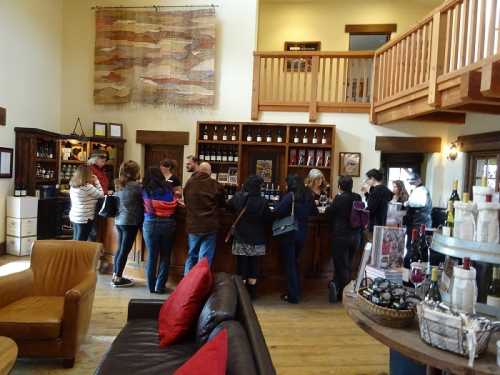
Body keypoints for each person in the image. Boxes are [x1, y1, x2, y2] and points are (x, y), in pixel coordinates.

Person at [274, 175, 318, 304]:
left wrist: (277, 203)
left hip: (289, 233)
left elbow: (278, 211)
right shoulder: (308, 196)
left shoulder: (290, 196)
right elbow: (314, 212)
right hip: (302, 233)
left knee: (290, 265)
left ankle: (293, 295)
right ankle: (297, 291)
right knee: (295, 262)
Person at [227, 175, 272, 300]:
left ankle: (241, 294)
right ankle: (252, 293)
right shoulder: (263, 201)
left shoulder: (238, 198)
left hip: (241, 237)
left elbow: (228, 206)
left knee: (241, 264)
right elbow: (268, 218)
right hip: (257, 238)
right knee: (254, 265)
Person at [183, 162, 225, 274]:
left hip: (193, 225)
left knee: (191, 255)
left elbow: (186, 201)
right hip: (209, 226)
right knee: (204, 260)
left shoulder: (189, 183)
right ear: (210, 172)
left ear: (199, 170)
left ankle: (186, 286)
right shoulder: (215, 185)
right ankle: (200, 286)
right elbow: (222, 204)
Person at [142, 167, 178, 293]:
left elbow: (145, 207)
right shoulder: (168, 188)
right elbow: (175, 202)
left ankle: (151, 287)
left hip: (150, 223)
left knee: (152, 256)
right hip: (168, 223)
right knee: (165, 256)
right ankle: (160, 286)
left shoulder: (145, 189)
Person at [326, 176, 362, 300]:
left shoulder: (339, 198)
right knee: (347, 264)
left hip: (341, 235)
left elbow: (328, 213)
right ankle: (337, 288)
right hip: (355, 236)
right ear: (351, 186)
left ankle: (342, 292)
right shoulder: (357, 197)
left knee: (340, 264)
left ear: (340, 186)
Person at [112, 160, 143, 288]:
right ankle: (118, 278)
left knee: (120, 249)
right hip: (130, 221)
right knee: (125, 250)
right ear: (135, 172)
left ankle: (115, 275)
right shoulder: (137, 187)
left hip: (119, 220)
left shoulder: (119, 184)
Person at [69, 165, 104, 241]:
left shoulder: (73, 185)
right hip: (84, 217)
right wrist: (97, 181)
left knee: (76, 239)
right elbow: (101, 195)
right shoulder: (87, 187)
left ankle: (73, 252)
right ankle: (79, 253)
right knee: (81, 241)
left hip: (75, 216)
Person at [403, 172, 432, 263]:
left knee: (417, 246)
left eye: (412, 181)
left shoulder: (422, 190)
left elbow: (421, 203)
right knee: (412, 245)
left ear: (419, 180)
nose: (411, 183)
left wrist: (407, 203)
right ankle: (409, 263)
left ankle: (413, 265)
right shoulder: (418, 190)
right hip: (415, 222)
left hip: (419, 223)